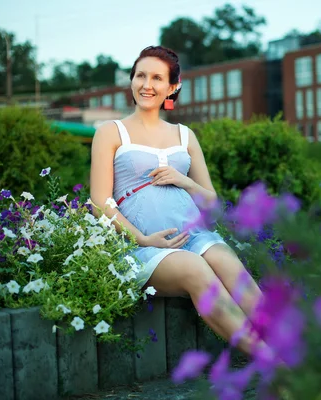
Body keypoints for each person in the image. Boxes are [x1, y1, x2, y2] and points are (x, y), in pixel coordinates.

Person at [89, 45, 264, 356]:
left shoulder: (185, 135)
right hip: (142, 246)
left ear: (172, 87)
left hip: (195, 236)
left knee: (233, 270)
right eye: (140, 75)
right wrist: (142, 239)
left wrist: (183, 180)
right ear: (131, 81)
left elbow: (212, 203)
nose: (146, 84)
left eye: (157, 78)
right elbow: (99, 202)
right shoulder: (110, 132)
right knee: (196, 270)